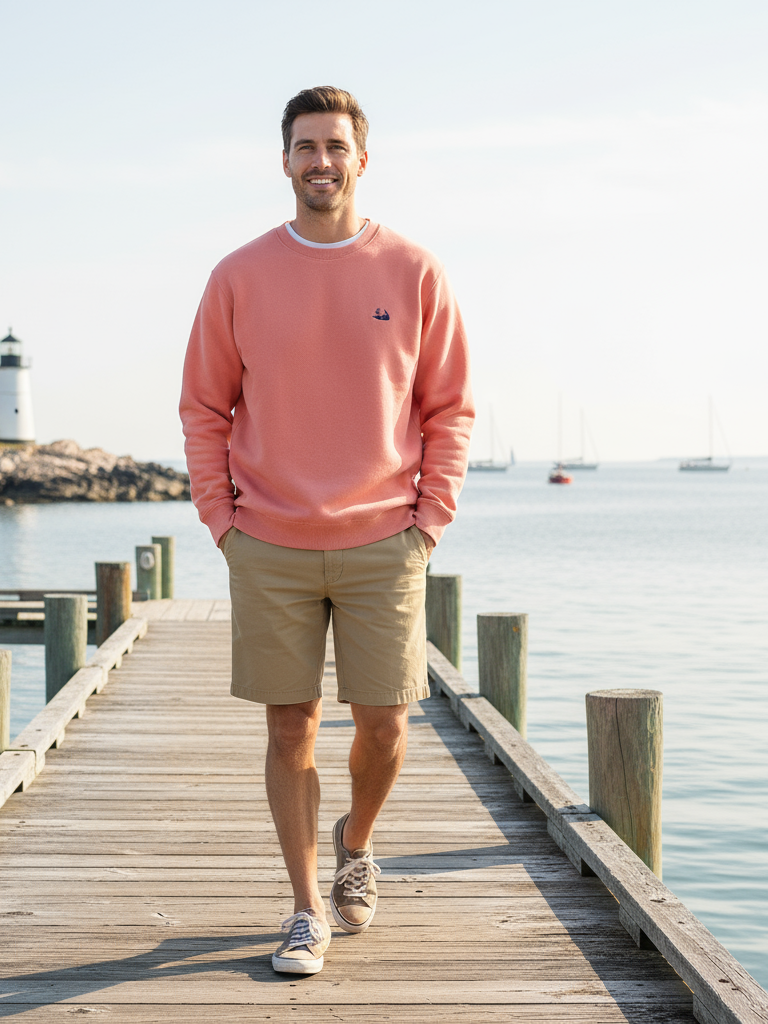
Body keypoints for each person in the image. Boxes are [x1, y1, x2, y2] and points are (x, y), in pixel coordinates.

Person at [179, 85, 474, 975]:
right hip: (268, 541)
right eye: (305, 146)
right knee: (288, 728)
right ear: (284, 161)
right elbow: (203, 408)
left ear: (361, 159)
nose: (321, 161)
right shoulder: (237, 276)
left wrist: (429, 522)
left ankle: (358, 841)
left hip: (387, 539)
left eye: (336, 146)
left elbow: (450, 408)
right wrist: (223, 522)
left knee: (384, 727)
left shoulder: (414, 271)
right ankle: (306, 906)